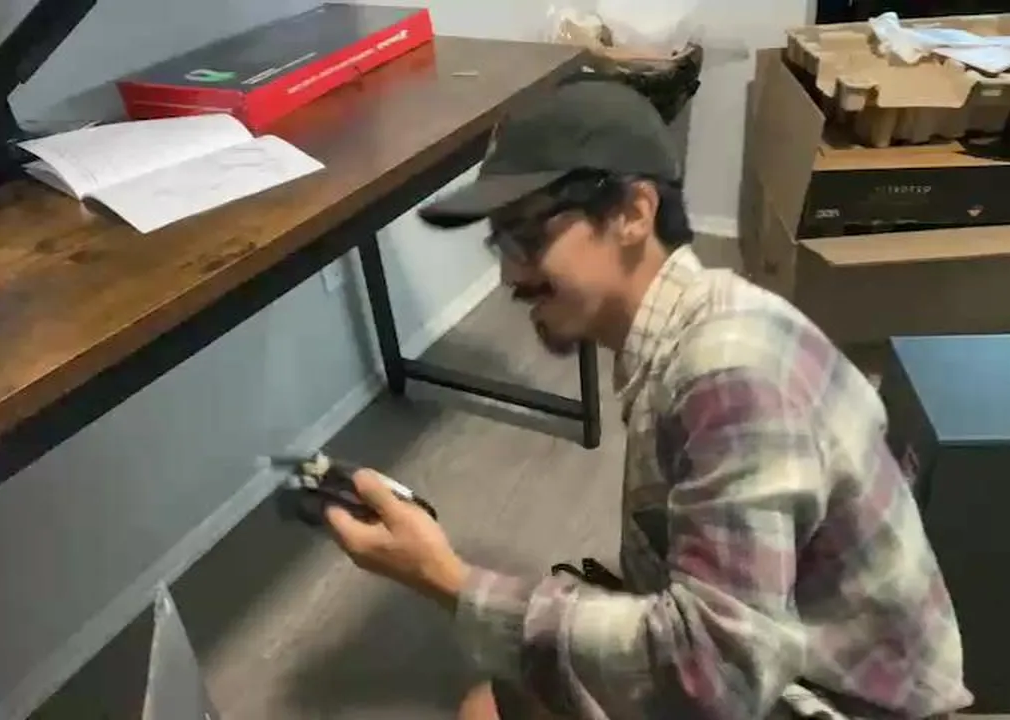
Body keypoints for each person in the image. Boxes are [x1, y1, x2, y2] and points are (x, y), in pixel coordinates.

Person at [321, 78, 973, 720]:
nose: (509, 275)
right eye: (501, 243)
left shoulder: (729, 373)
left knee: (485, 711)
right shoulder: (701, 323)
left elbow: (716, 679)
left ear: (634, 213)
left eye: (527, 236)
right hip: (793, 654)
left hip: (841, 700)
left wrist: (449, 581)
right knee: (503, 696)